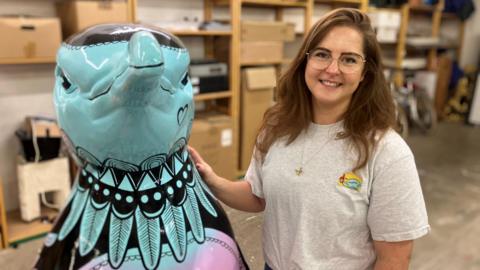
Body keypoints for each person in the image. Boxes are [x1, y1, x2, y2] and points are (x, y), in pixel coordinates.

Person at [189, 8, 430, 270]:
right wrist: (213, 180)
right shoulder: (277, 127)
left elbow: (394, 259)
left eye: (349, 59)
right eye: (322, 54)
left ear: (365, 73)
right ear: (305, 61)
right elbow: (258, 195)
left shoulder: (387, 152)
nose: (332, 69)